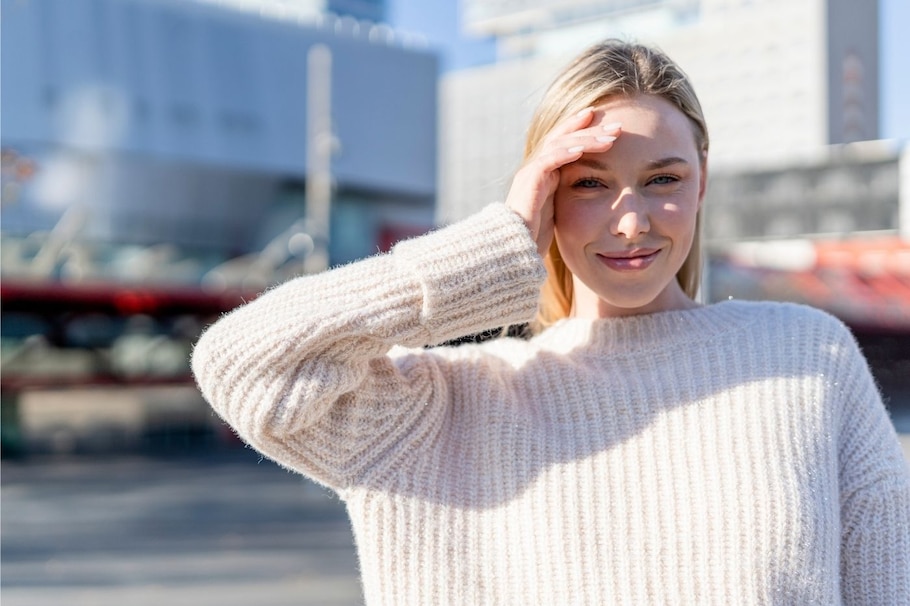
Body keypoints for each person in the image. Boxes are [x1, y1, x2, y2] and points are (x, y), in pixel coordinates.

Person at [192, 40, 910, 604]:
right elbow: (242, 365)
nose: (631, 219)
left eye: (663, 179)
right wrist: (497, 242)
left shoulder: (804, 357)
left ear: (703, 182)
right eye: (588, 185)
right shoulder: (440, 408)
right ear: (543, 199)